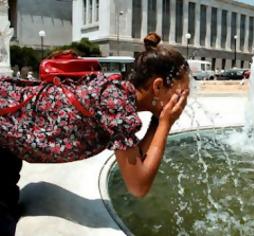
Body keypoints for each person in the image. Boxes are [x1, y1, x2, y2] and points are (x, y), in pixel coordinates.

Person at [0, 32, 190, 235]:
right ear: (158, 86)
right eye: (182, 92)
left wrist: (159, 121)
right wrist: (165, 123)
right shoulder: (116, 103)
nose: (184, 99)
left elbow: (138, 160)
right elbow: (138, 185)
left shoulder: (118, 95)